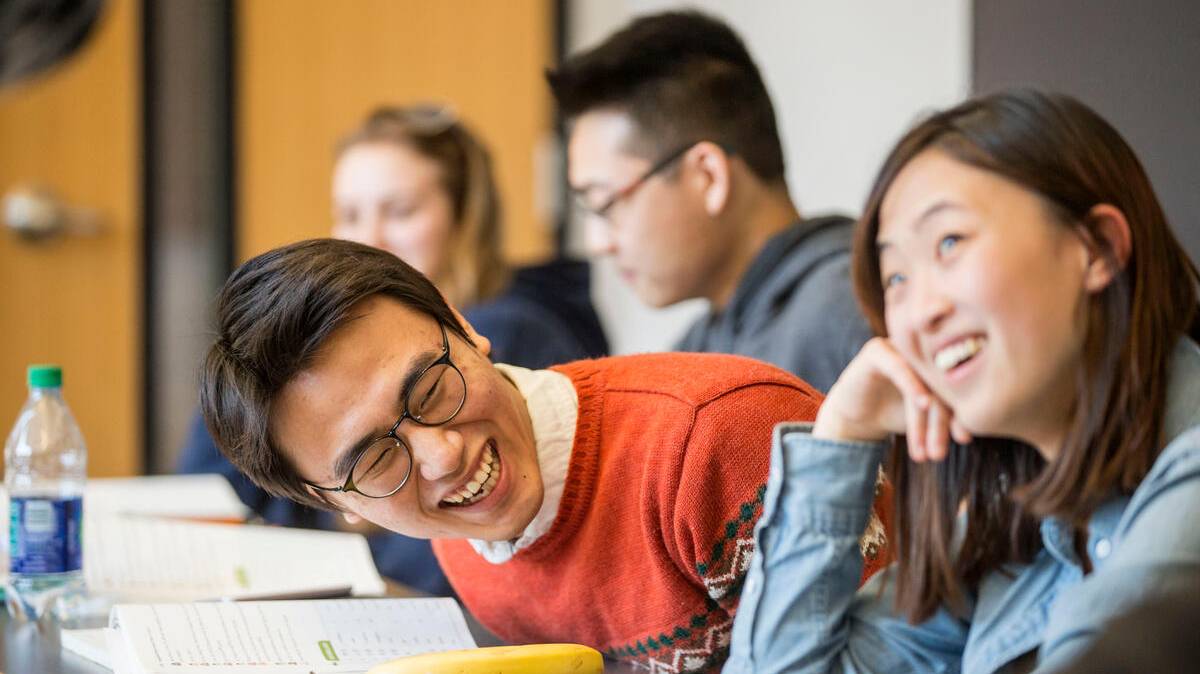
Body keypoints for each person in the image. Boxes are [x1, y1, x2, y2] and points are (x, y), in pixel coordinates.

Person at [199, 238, 892, 673]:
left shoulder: (720, 439)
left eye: (432, 387)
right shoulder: (460, 543)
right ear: (334, 502)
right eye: (378, 460)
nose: (442, 456)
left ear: (463, 326)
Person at [724, 90, 1200, 674]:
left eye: (950, 242)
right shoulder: (1010, 524)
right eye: (895, 275)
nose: (919, 312)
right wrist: (841, 435)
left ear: (1097, 247)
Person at [179, 104, 607, 596]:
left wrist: (364, 506)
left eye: (400, 212)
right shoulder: (319, 339)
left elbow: (431, 569)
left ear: (465, 216)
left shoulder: (516, 329)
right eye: (350, 214)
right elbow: (203, 484)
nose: (370, 237)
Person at [547, 10, 871, 392]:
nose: (598, 243)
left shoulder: (851, 311)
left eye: (606, 203)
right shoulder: (701, 347)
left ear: (708, 177)